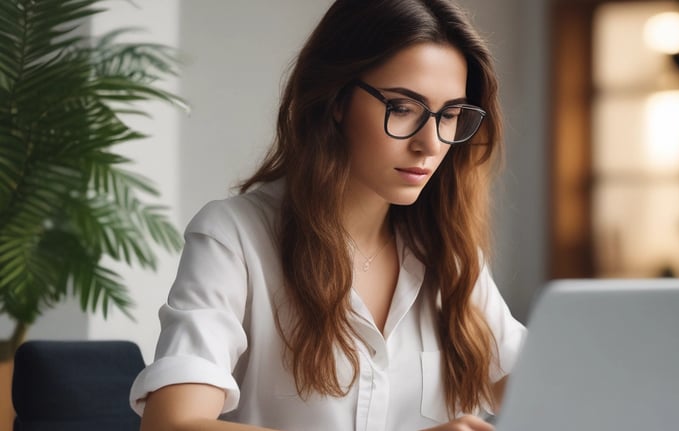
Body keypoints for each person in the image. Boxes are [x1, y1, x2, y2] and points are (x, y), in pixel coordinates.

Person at [129, 0, 526, 430]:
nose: (430, 144)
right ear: (336, 101)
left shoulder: (448, 257)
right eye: (403, 108)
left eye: (450, 115)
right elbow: (172, 423)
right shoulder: (235, 238)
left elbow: (554, 393)